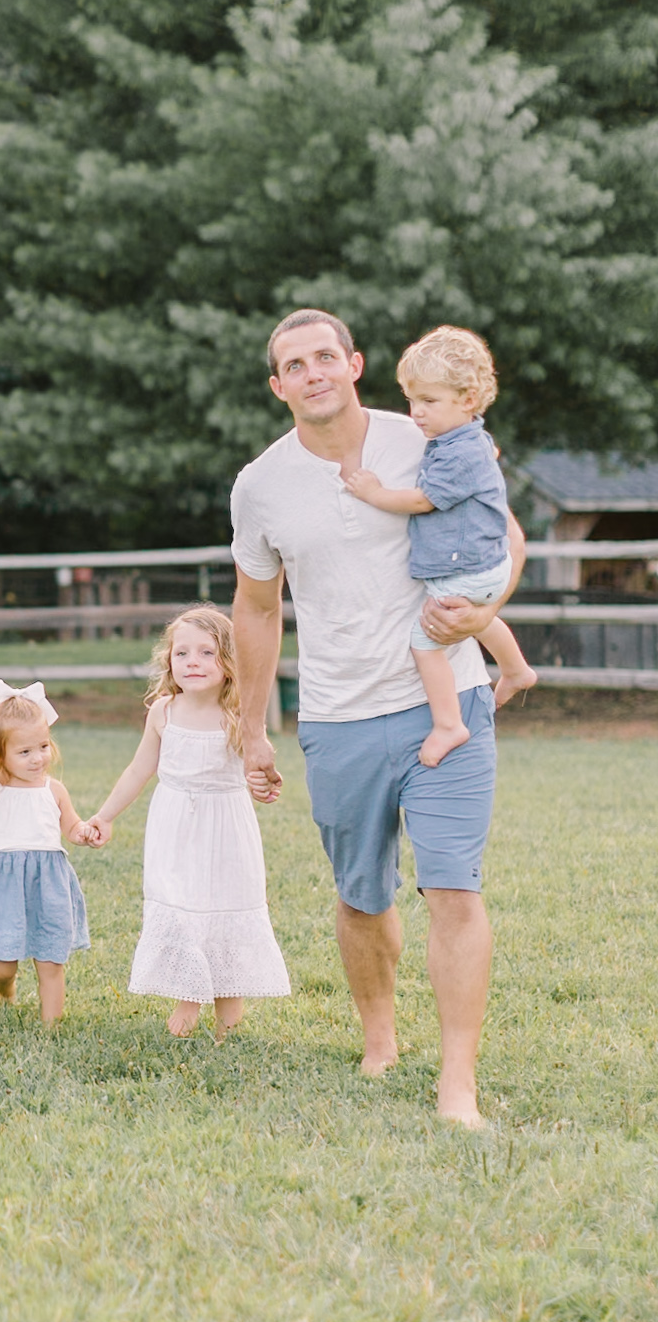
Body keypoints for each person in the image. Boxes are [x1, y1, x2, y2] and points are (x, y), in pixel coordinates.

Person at [230, 310, 525, 1128]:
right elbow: (256, 610)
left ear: (354, 363)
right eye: (295, 363)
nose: (314, 371)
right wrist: (252, 727)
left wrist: (482, 614)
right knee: (361, 897)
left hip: (449, 700)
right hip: (339, 713)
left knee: (453, 889)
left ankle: (457, 1083)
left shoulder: (428, 433)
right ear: (278, 384)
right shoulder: (260, 485)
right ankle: (380, 1039)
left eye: (327, 354)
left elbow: (507, 536)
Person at [80, 609, 290, 1039]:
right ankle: (187, 1000)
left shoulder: (239, 715)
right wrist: (104, 815)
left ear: (229, 662)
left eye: (206, 652)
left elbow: (258, 770)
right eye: (182, 653)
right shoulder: (163, 712)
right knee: (180, 908)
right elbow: (139, 771)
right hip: (174, 829)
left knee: (223, 909)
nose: (192, 661)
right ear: (168, 660)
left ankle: (229, 1005)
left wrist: (264, 785)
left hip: (227, 829)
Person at [342, 326, 536, 766]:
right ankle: (516, 669)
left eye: (428, 402)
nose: (416, 413)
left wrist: (373, 492)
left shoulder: (459, 453)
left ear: (468, 400)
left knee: (425, 643)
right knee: (477, 620)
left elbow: (422, 501)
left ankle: (449, 723)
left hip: (468, 571)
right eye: (412, 400)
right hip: (483, 570)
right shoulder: (469, 439)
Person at [0, 681, 91, 1025]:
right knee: (0, 966)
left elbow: (70, 827)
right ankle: (6, 989)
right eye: (25, 752)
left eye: (43, 746)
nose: (38, 758)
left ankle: (51, 1027)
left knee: (50, 960)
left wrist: (83, 832)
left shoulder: (54, 790)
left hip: (48, 883)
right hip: (3, 886)